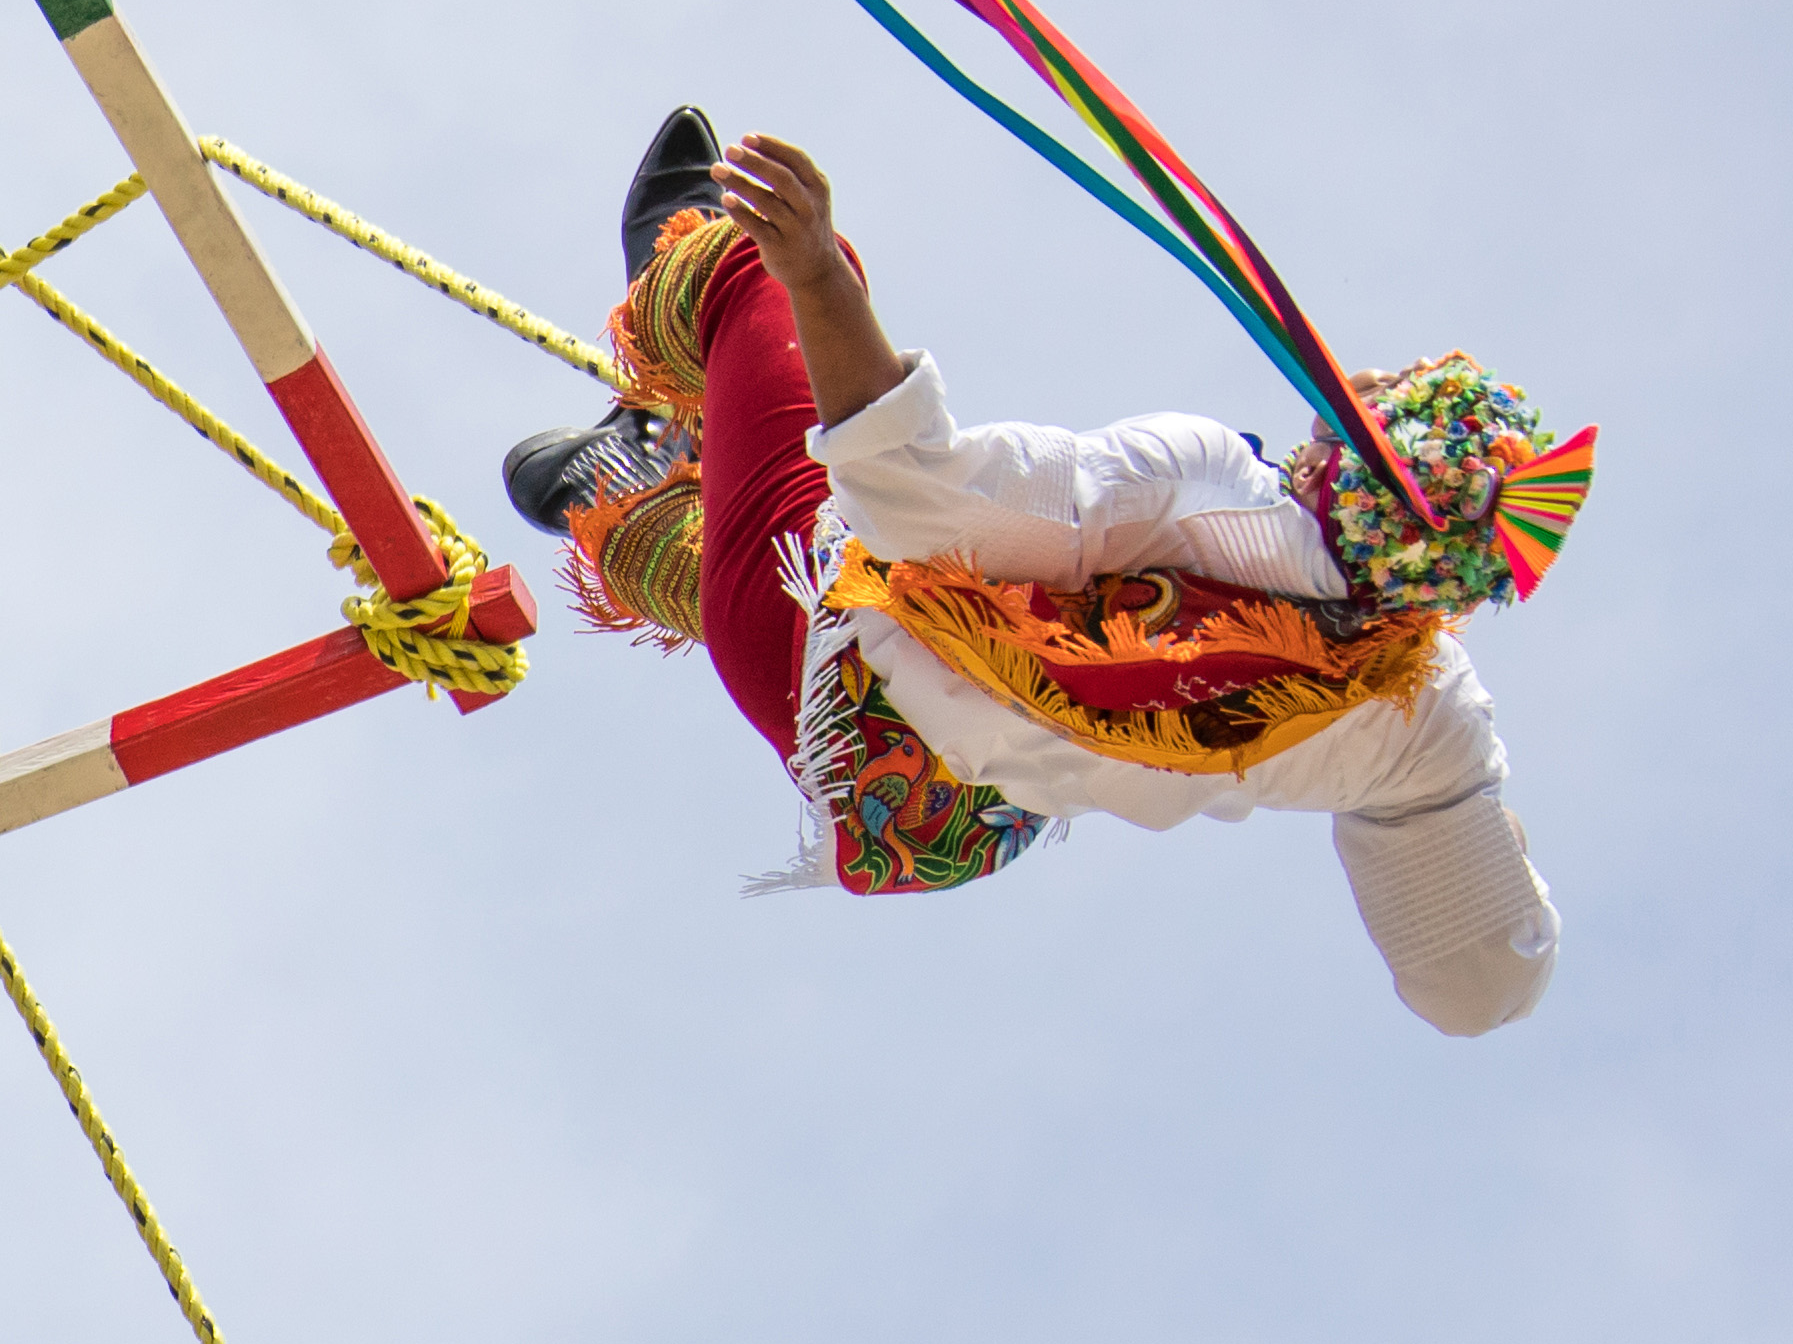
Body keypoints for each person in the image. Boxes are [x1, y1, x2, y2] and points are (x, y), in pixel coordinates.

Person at [497, 113, 1575, 1029]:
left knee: (757, 275)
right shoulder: (1425, 707)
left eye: (1383, 393)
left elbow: (912, 496)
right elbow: (1473, 984)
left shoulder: (1194, 486)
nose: (1368, 373)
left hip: (822, 662)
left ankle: (672, 283)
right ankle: (629, 502)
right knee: (823, 562)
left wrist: (816, 271)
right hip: (938, 829)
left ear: (1354, 449)